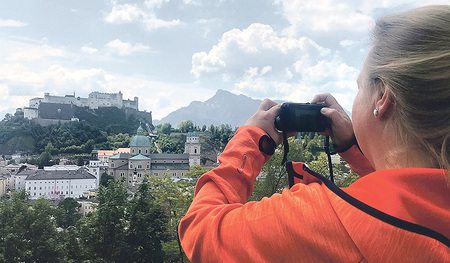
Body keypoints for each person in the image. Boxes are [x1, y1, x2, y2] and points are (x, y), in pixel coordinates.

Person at [179, 5, 450, 262]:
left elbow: (201, 231)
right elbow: (406, 198)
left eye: (359, 88)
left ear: (382, 97)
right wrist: (352, 147)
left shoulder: (330, 219)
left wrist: (251, 139)